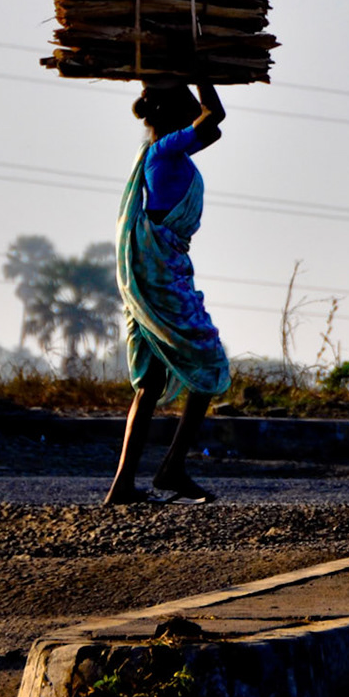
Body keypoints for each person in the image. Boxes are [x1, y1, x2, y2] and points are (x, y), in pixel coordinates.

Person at [103, 80, 232, 506]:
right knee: (210, 361)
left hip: (159, 270)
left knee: (152, 381)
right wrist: (201, 70)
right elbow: (214, 121)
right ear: (177, 117)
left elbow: (209, 125)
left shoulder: (164, 153)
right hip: (161, 275)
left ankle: (123, 484)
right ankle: (173, 468)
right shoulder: (165, 152)